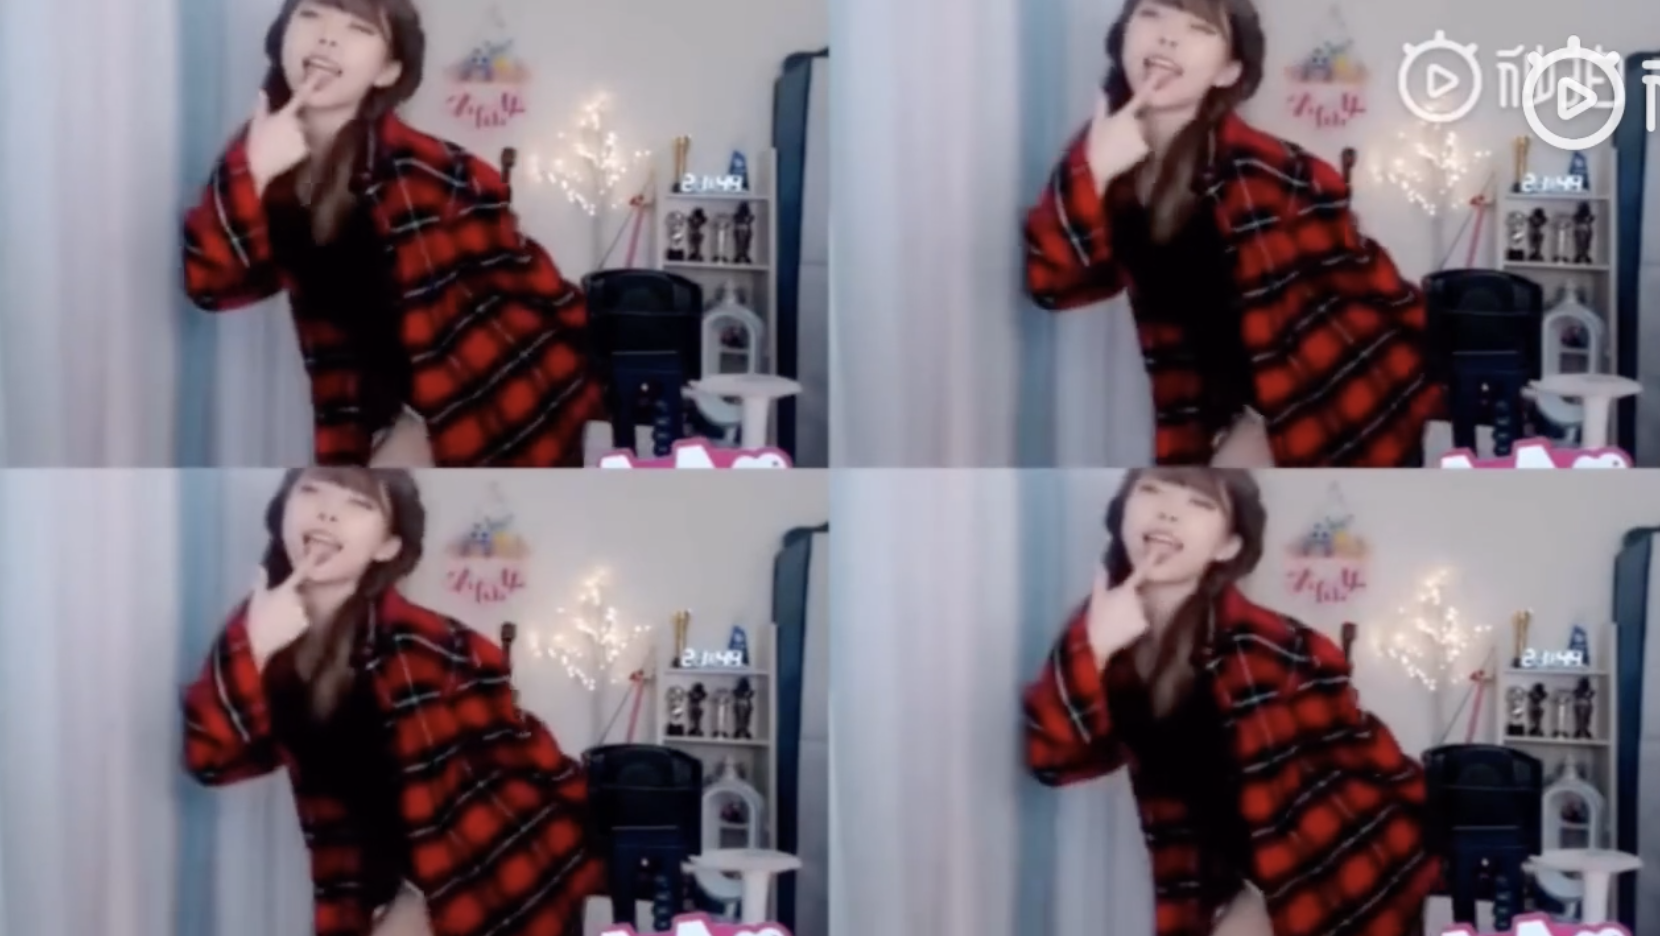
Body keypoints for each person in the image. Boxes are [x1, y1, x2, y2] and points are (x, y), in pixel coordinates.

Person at [181, 0, 605, 468]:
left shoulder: (437, 171)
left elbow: (534, 284)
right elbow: (211, 286)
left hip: (494, 399)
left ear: (387, 71)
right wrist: (254, 172)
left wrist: (612, 362)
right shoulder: (256, 154)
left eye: (358, 28)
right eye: (311, 14)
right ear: (283, 35)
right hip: (371, 413)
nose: (328, 36)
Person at [181, 467, 604, 936]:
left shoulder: (429, 643)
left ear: (386, 546)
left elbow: (523, 757)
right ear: (284, 511)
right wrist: (255, 645)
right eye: (311, 490)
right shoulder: (259, 628)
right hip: (362, 888)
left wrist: (606, 819)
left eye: (358, 504)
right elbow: (212, 760)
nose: (327, 512)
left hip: (484, 872)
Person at [1023, 0, 1441, 468]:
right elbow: (1055, 287)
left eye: (1199, 28)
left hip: (1340, 403)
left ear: (1228, 72)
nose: (1168, 36)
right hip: (1213, 412)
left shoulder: (1277, 172)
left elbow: (1374, 285)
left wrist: (1446, 361)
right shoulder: (1100, 156)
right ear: (1123, 35)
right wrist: (1093, 173)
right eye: (1152, 13)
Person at [1022, 468, 1439, 936]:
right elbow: (1053, 761)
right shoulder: (1099, 629)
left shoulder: (1270, 646)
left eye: (1199, 504)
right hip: (1228, 878)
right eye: (1151, 490)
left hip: (1332, 864)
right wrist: (1094, 649)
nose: (1168, 512)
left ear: (1227, 546)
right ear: (1123, 513)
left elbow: (1361, 758)